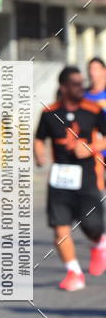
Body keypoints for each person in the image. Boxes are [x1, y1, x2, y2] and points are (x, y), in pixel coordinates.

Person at [34, 65, 106, 290]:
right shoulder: (49, 113)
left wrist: (92, 148)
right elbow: (39, 138)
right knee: (59, 225)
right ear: (63, 87)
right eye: (75, 84)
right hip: (59, 178)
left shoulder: (93, 110)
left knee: (92, 225)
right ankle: (74, 272)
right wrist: (39, 155)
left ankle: (100, 244)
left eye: (81, 83)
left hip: (86, 177)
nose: (80, 88)